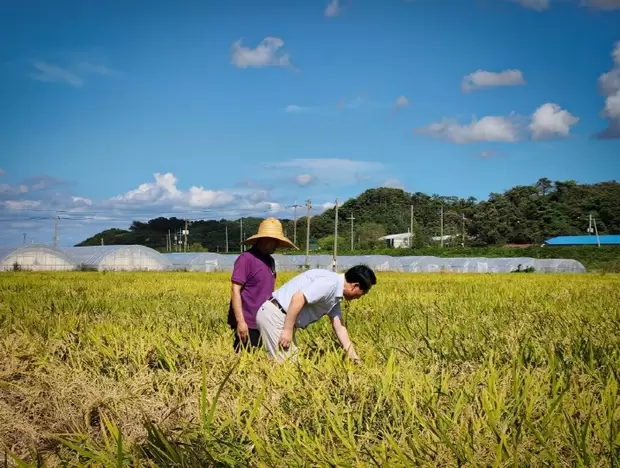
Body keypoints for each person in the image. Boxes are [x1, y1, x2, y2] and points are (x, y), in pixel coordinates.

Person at [255, 265, 376, 363]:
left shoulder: (335, 293)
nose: (359, 297)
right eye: (362, 293)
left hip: (280, 316)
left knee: (288, 365)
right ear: (355, 286)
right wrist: (287, 330)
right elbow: (298, 298)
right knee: (287, 368)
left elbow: (339, 327)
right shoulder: (330, 284)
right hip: (276, 316)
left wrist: (354, 357)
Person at [227, 217, 298, 352]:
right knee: (246, 360)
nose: (277, 245)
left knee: (266, 357)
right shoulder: (246, 259)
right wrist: (241, 322)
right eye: (275, 241)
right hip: (248, 322)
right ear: (265, 239)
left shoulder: (270, 261)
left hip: (265, 319)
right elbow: (235, 290)